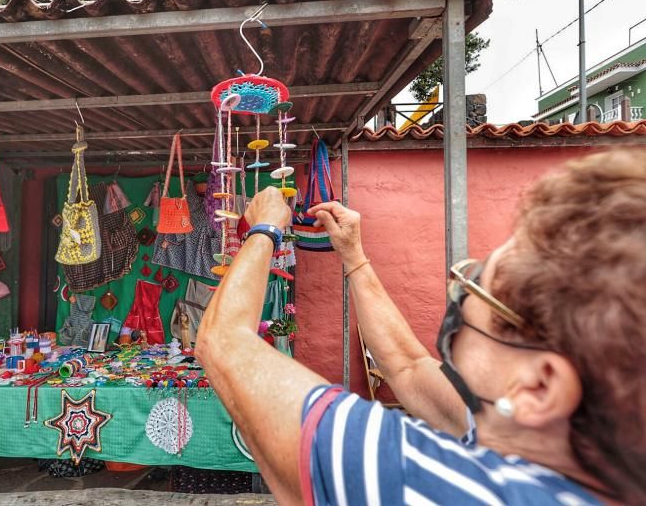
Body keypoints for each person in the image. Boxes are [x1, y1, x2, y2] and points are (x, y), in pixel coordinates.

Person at [195, 148, 645, 505]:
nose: (460, 292)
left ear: (539, 386)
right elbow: (407, 366)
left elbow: (224, 341)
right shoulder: (565, 452)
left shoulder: (420, 484)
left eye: (476, 287)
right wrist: (353, 255)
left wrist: (266, 231)